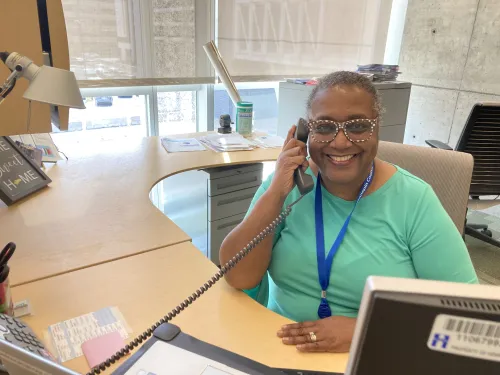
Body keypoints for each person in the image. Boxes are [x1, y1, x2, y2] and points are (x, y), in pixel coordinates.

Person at [219, 71, 478, 354]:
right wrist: (275, 194)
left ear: (377, 128)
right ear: (306, 132)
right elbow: (238, 277)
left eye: (357, 126)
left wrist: (365, 329)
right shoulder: (288, 184)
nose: (340, 142)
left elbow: (468, 314)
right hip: (275, 347)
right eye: (325, 127)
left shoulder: (414, 200)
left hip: (372, 353)